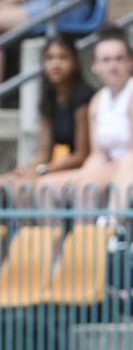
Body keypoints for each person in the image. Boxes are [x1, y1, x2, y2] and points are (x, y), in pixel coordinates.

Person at [35, 25, 133, 211]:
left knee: (88, 186)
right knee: (45, 187)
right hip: (107, 167)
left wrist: (89, 177)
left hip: (128, 168)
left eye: (119, 59)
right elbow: (98, 154)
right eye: (106, 60)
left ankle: (109, 231)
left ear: (130, 62)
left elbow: (131, 155)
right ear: (95, 65)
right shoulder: (97, 101)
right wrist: (84, 175)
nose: (113, 66)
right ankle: (57, 238)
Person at [0, 35, 93, 204]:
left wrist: (43, 170)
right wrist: (25, 169)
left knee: (22, 189)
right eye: (49, 58)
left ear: (75, 62)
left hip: (77, 168)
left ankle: (31, 230)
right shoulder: (48, 98)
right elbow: (44, 151)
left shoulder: (83, 98)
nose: (55, 64)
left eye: (62, 57)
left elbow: (81, 154)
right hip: (53, 166)